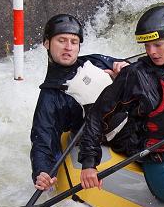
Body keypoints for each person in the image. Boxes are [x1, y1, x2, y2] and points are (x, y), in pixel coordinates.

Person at [78, 6, 164, 203]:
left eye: (158, 45)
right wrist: (89, 163)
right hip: (162, 166)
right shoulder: (135, 76)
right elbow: (97, 116)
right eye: (147, 46)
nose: (152, 52)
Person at [30, 14, 127, 191]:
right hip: (120, 139)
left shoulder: (95, 61)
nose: (68, 47)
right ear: (46, 43)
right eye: (61, 40)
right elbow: (43, 140)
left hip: (144, 119)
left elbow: (136, 70)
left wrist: (123, 71)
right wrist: (42, 171)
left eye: (74, 42)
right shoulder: (51, 97)